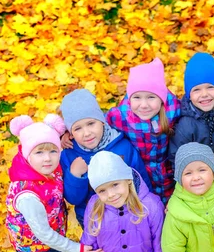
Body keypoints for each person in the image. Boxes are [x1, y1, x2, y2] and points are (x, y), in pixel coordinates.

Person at [5, 114, 101, 252]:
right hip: (33, 244)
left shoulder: (51, 169)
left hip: (56, 232)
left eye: (52, 150)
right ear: (26, 154)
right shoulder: (27, 196)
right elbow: (44, 235)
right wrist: (79, 249)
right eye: (39, 152)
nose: (47, 158)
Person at [59, 88, 150, 227]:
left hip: (129, 216)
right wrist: (75, 175)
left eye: (91, 123)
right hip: (93, 221)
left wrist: (145, 207)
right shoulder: (69, 154)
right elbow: (73, 199)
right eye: (78, 128)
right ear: (70, 133)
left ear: (102, 121)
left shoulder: (122, 146)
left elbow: (141, 180)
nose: (87, 133)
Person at [106, 58, 180, 204]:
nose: (144, 105)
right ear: (129, 98)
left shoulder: (174, 111)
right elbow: (97, 125)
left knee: (169, 207)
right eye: (137, 97)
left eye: (151, 97)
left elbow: (197, 107)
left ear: (161, 99)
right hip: (138, 173)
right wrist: (65, 131)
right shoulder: (120, 116)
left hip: (167, 174)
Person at [168, 52, 214, 171]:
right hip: (202, 182)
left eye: (210, 87)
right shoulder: (186, 126)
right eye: (196, 90)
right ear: (189, 95)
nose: (204, 94)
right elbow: (177, 160)